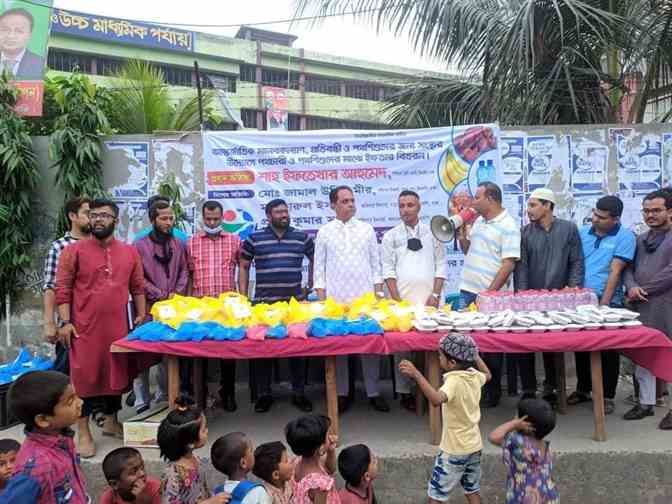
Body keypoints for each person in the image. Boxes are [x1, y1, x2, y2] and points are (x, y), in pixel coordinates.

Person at [55, 198, 146, 459]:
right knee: (83, 379)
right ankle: (84, 432)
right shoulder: (73, 251)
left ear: (115, 220)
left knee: (114, 375)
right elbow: (63, 288)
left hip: (117, 327)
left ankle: (111, 421)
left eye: (104, 215)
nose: (97, 220)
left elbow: (137, 287)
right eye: (93, 215)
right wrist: (65, 322)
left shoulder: (129, 252)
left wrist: (141, 315)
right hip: (83, 329)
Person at [314, 186, 388, 414]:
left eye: (352, 200)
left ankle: (373, 392)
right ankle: (342, 394)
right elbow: (319, 270)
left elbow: (376, 267)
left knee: (370, 347)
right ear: (333, 205)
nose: (350, 204)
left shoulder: (366, 230)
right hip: (336, 301)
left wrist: (378, 297)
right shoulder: (324, 232)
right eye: (345, 201)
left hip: (365, 300)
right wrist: (323, 302)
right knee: (339, 348)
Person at [239, 199, 314, 414]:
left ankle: (299, 393)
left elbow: (315, 258)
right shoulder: (254, 238)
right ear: (268, 216)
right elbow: (244, 265)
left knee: (297, 349)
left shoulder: (302, 237)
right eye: (279, 212)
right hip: (264, 305)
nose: (284, 215)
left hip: (294, 305)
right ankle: (264, 394)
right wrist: (243, 296)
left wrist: (310, 285)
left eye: (286, 211)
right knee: (264, 350)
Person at [399, 333, 492, 504]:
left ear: (452, 363)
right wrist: (475, 355)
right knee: (472, 489)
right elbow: (488, 374)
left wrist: (417, 374)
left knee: (436, 495)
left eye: (441, 356)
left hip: (454, 449)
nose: (439, 359)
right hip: (474, 446)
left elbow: (436, 400)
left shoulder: (454, 381)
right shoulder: (474, 376)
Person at [515, 188, 584, 404]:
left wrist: (572, 288)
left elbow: (576, 261)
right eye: (528, 205)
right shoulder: (525, 232)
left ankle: (551, 388)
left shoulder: (568, 229)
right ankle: (528, 389)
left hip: (559, 298)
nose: (528, 210)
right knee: (524, 343)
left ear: (548, 206)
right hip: (531, 298)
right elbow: (522, 267)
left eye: (533, 205)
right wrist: (523, 295)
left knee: (552, 345)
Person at [382, 190, 447, 412]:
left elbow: (441, 265)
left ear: (419, 207)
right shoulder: (391, 236)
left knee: (434, 347)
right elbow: (388, 270)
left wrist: (435, 295)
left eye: (410, 205)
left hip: (430, 301)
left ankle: (434, 390)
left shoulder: (433, 233)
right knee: (402, 348)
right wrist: (397, 300)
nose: (405, 210)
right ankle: (405, 393)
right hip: (402, 302)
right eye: (401, 206)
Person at [570, 196, 636, 415]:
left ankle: (607, 396)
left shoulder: (625, 237)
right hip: (581, 301)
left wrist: (604, 306)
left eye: (601, 217)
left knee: (607, 350)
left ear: (615, 219)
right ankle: (583, 389)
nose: (595, 219)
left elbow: (615, 271)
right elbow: (575, 264)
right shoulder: (582, 233)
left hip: (608, 302)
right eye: (594, 214)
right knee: (581, 347)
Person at [457, 182, 520, 408]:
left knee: (490, 345)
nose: (473, 201)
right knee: (467, 342)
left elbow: (509, 263)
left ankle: (491, 393)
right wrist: (461, 233)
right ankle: (469, 389)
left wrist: (489, 293)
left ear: (491, 199)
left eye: (477, 197)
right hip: (468, 290)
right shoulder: (479, 221)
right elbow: (468, 251)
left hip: (492, 297)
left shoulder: (509, 225)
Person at [132, 199, 189, 413]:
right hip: (148, 307)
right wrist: (158, 294)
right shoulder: (139, 245)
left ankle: (165, 395)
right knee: (143, 354)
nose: (168, 222)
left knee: (169, 353)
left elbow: (184, 271)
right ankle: (141, 399)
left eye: (171, 218)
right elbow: (138, 278)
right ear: (153, 220)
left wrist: (177, 293)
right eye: (163, 218)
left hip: (172, 308)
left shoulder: (179, 243)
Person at [0, 371, 90, 504]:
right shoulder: (38, 467)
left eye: (77, 396)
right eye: (70, 401)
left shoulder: (62, 436)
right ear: (43, 420)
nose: (80, 402)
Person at [624, 190, 672, 429]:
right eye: (646, 211)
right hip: (643, 306)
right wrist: (632, 287)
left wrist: (643, 290)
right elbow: (627, 268)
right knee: (644, 355)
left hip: (666, 305)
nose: (650, 215)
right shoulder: (640, 240)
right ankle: (645, 403)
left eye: (656, 210)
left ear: (670, 212)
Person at [188, 200, 240, 412]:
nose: (212, 223)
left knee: (228, 351)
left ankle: (228, 393)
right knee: (201, 351)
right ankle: (201, 395)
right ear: (203, 218)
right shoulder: (191, 242)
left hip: (227, 306)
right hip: (201, 306)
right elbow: (189, 274)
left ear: (222, 218)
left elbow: (243, 269)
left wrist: (241, 298)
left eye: (216, 219)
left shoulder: (234, 240)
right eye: (208, 219)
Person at [42, 196, 91, 375]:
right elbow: (50, 287)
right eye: (87, 213)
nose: (92, 218)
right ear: (72, 216)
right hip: (70, 323)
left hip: (96, 323)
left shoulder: (100, 244)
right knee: (66, 376)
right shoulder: (60, 247)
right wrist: (49, 323)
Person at [157, 396, 230, 504]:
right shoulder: (172, 477)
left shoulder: (194, 459)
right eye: (203, 429)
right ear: (190, 443)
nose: (207, 431)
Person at [488, 398, 559, 504]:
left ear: (526, 424)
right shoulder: (546, 447)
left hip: (524, 498)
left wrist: (513, 424)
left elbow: (493, 436)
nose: (515, 419)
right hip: (549, 496)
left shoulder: (518, 442)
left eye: (517, 417)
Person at [285, 414, 340, 504]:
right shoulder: (320, 485)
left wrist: (331, 451)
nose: (331, 437)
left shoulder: (295, 462)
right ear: (321, 448)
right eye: (327, 436)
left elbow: (331, 469)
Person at [211, 432, 271, 503]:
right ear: (243, 463)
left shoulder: (216, 495)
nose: (253, 454)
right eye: (251, 451)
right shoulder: (258, 492)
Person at [0, 8, 45, 80]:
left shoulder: (41, 64)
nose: (11, 36)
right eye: (5, 29)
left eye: (19, 31)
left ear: (29, 35)